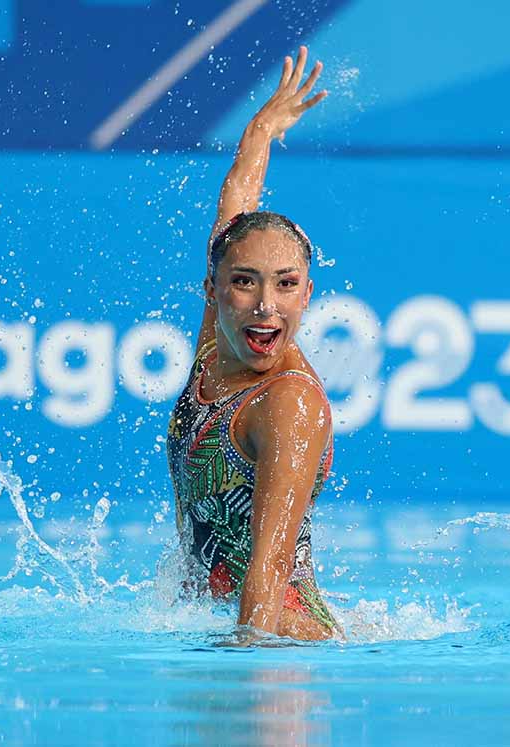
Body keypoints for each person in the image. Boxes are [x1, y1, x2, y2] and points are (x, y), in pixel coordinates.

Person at [166, 47, 338, 641]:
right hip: (215, 624)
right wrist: (261, 129)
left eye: (286, 286)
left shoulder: (287, 404)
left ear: (308, 293)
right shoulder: (218, 343)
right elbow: (235, 207)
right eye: (246, 283)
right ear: (213, 291)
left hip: (278, 639)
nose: (267, 306)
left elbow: (264, 574)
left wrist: (249, 677)